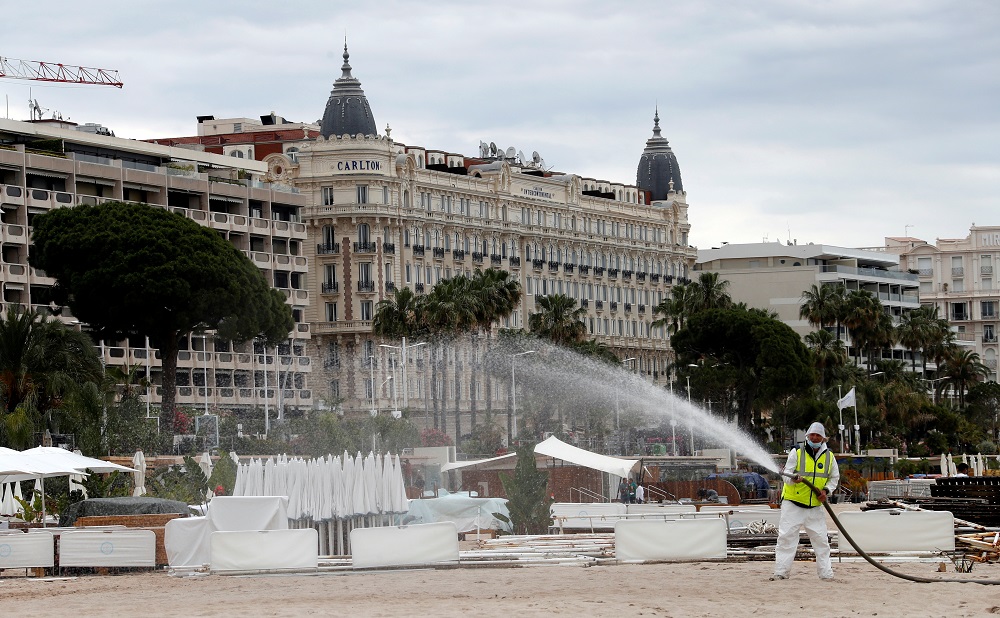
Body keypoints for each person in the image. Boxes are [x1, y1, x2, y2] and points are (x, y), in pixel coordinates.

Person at [773, 421, 840, 581]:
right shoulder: (797, 451)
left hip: (815, 506)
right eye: (812, 435)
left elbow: (834, 478)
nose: (815, 437)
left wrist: (826, 491)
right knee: (786, 538)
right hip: (793, 503)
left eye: (818, 435)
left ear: (823, 438)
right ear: (807, 436)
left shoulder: (829, 456)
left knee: (821, 541)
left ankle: (826, 574)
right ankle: (781, 573)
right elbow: (786, 473)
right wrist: (793, 480)